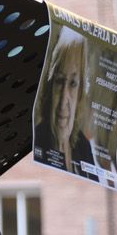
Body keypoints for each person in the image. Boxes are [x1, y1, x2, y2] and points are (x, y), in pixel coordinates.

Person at [34, 36, 94, 172]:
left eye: (73, 84)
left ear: (80, 94)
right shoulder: (35, 141)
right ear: (49, 88)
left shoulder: (83, 146)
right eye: (59, 81)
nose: (63, 102)